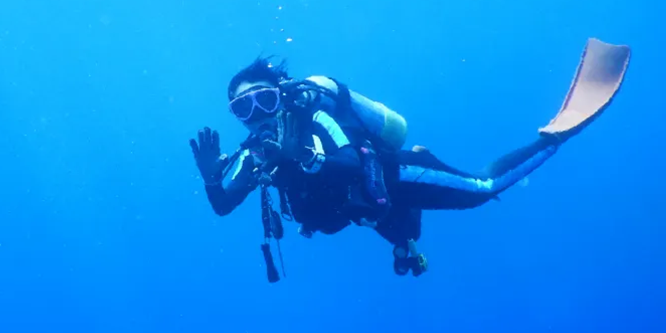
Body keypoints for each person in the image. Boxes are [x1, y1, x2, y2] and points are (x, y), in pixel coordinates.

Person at [190, 38, 631, 281]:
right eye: (242, 111)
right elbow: (224, 204)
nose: (256, 118)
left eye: (262, 101)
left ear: (281, 97)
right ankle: (406, 239)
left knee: (483, 190)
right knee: (403, 231)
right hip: (368, 211)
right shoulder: (255, 156)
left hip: (393, 177)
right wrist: (212, 179)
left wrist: (301, 156)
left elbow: (345, 159)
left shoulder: (315, 115)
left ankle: (557, 136)